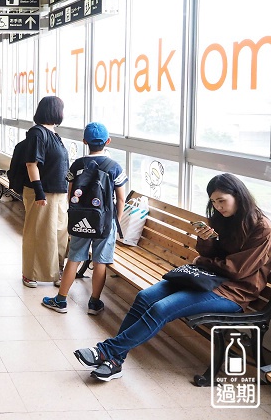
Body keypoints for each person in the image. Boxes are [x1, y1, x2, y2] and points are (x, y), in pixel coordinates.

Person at [74, 173, 271, 381]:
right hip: (205, 279)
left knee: (162, 308)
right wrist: (205, 241)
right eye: (214, 202)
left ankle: (106, 351)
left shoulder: (261, 228)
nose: (218, 206)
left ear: (239, 195)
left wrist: (201, 262)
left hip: (232, 292)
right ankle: (115, 360)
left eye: (222, 200)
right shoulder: (221, 218)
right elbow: (209, 254)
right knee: (144, 297)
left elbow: (237, 270)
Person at [42, 122, 128, 315]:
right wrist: (115, 221)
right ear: (108, 141)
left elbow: (71, 193)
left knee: (74, 258)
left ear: (84, 141)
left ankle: (61, 300)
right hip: (105, 220)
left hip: (81, 218)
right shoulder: (114, 166)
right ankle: (94, 303)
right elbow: (121, 198)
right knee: (101, 262)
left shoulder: (78, 164)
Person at [21, 96, 69, 288]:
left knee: (58, 234)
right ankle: (30, 273)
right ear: (53, 110)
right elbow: (31, 163)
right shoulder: (37, 133)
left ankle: (55, 272)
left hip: (58, 192)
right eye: (62, 109)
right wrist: (39, 192)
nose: (63, 113)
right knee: (39, 233)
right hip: (42, 192)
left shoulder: (54, 134)